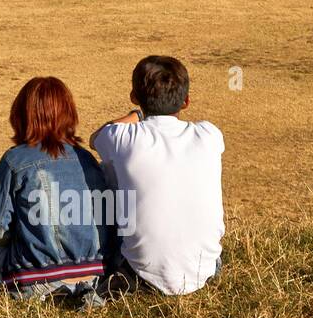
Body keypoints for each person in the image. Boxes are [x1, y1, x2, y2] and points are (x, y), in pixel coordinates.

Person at [0, 76, 117, 300]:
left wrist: (27, 236)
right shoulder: (87, 158)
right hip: (93, 278)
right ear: (69, 114)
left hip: (35, 282)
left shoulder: (15, 160)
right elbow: (105, 224)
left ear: (21, 114)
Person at [92, 56, 225, 296]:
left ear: (134, 97)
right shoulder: (210, 134)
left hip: (141, 273)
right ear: (186, 101)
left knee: (107, 170)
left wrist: (136, 116)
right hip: (204, 269)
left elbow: (97, 137)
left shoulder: (125, 139)